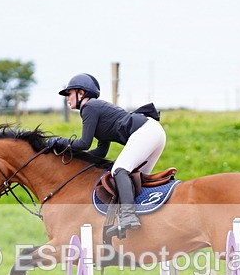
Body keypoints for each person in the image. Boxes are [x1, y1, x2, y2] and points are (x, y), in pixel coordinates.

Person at [51, 73, 166, 238]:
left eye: (69, 93)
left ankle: (128, 217)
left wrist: (59, 141)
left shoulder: (89, 107)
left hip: (147, 132)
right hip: (154, 133)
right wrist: (76, 162)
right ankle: (143, 220)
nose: (67, 98)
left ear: (81, 93)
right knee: (136, 179)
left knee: (119, 170)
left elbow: (84, 143)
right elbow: (100, 152)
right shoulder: (97, 109)